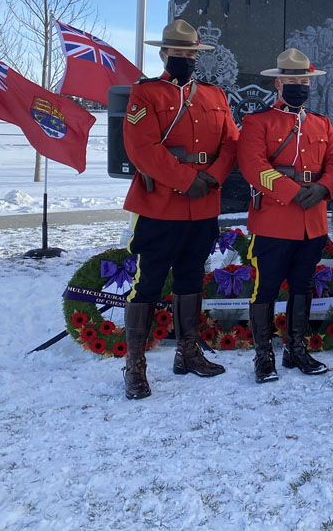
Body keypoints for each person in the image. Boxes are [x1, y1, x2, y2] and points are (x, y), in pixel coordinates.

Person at [121, 20, 240, 400]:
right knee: (149, 283)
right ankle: (135, 366)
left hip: (203, 204)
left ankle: (188, 352)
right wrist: (188, 181)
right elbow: (142, 149)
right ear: (164, 54)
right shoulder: (146, 94)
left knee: (191, 278)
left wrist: (214, 178)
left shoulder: (214, 96)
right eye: (179, 53)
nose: (186, 59)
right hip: (161, 204)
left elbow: (231, 145)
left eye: (191, 54)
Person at [237, 49, 333, 384]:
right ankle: (263, 355)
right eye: (292, 80)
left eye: (304, 81)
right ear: (278, 82)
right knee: (267, 288)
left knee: (303, 285)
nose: (299, 86)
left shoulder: (321, 123)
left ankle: (295, 349)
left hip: (311, 220)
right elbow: (253, 166)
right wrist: (291, 192)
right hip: (274, 218)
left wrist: (324, 189)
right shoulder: (258, 122)